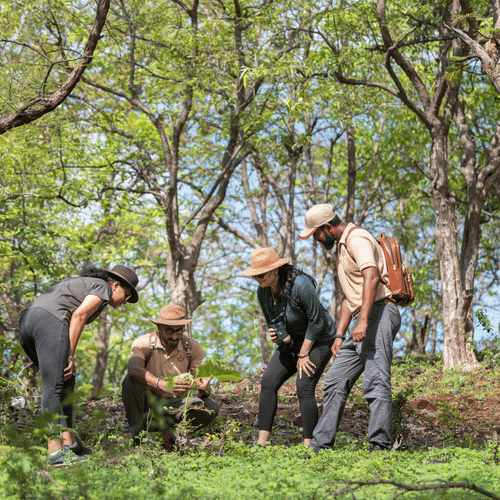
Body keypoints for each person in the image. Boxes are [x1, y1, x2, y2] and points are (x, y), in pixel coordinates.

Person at [299, 204, 401, 452]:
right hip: (363, 315)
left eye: (315, 234)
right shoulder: (341, 248)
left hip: (379, 311)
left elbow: (371, 277)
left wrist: (364, 320)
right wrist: (339, 335)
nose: (314, 240)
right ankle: (320, 445)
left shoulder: (357, 238)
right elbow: (350, 297)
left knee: (376, 380)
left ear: (326, 227)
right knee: (335, 380)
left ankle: (379, 445)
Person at [19, 264, 139, 466]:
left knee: (66, 379)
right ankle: (55, 452)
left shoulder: (83, 284)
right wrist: (71, 356)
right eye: (126, 296)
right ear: (116, 285)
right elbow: (79, 316)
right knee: (54, 387)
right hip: (49, 321)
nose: (125, 302)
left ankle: (70, 444)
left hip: (27, 321)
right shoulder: (103, 287)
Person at [242, 247, 335, 447]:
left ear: (275, 269)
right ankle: (262, 443)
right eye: (255, 275)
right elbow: (273, 323)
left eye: (262, 273)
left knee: (303, 385)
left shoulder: (300, 284)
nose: (258, 278)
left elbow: (317, 322)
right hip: (293, 342)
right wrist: (277, 337)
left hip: (319, 339)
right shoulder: (263, 292)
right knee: (267, 381)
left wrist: (304, 354)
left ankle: (310, 445)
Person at [121, 304, 218, 449]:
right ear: (159, 327)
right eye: (169, 331)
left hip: (174, 407)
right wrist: (159, 384)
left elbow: (200, 388)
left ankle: (172, 436)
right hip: (147, 408)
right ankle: (138, 439)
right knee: (130, 381)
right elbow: (134, 368)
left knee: (210, 406)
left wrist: (203, 388)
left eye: (179, 331)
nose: (174, 336)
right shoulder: (143, 343)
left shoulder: (192, 348)